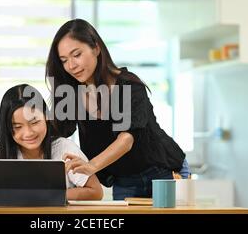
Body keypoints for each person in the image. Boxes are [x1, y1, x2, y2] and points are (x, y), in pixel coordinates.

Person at [45, 18, 190, 200]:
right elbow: (56, 132)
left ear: (96, 48)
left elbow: (126, 139)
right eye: (64, 60)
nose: (71, 66)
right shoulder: (72, 95)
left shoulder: (129, 84)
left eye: (77, 54)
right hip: (125, 181)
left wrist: (91, 165)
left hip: (164, 172)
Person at [0, 84, 103, 202]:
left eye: (34, 122)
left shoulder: (65, 148)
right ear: (7, 128)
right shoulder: (1, 154)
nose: (28, 133)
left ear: (46, 116)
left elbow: (95, 192)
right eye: (17, 127)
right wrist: (14, 196)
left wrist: (47, 195)